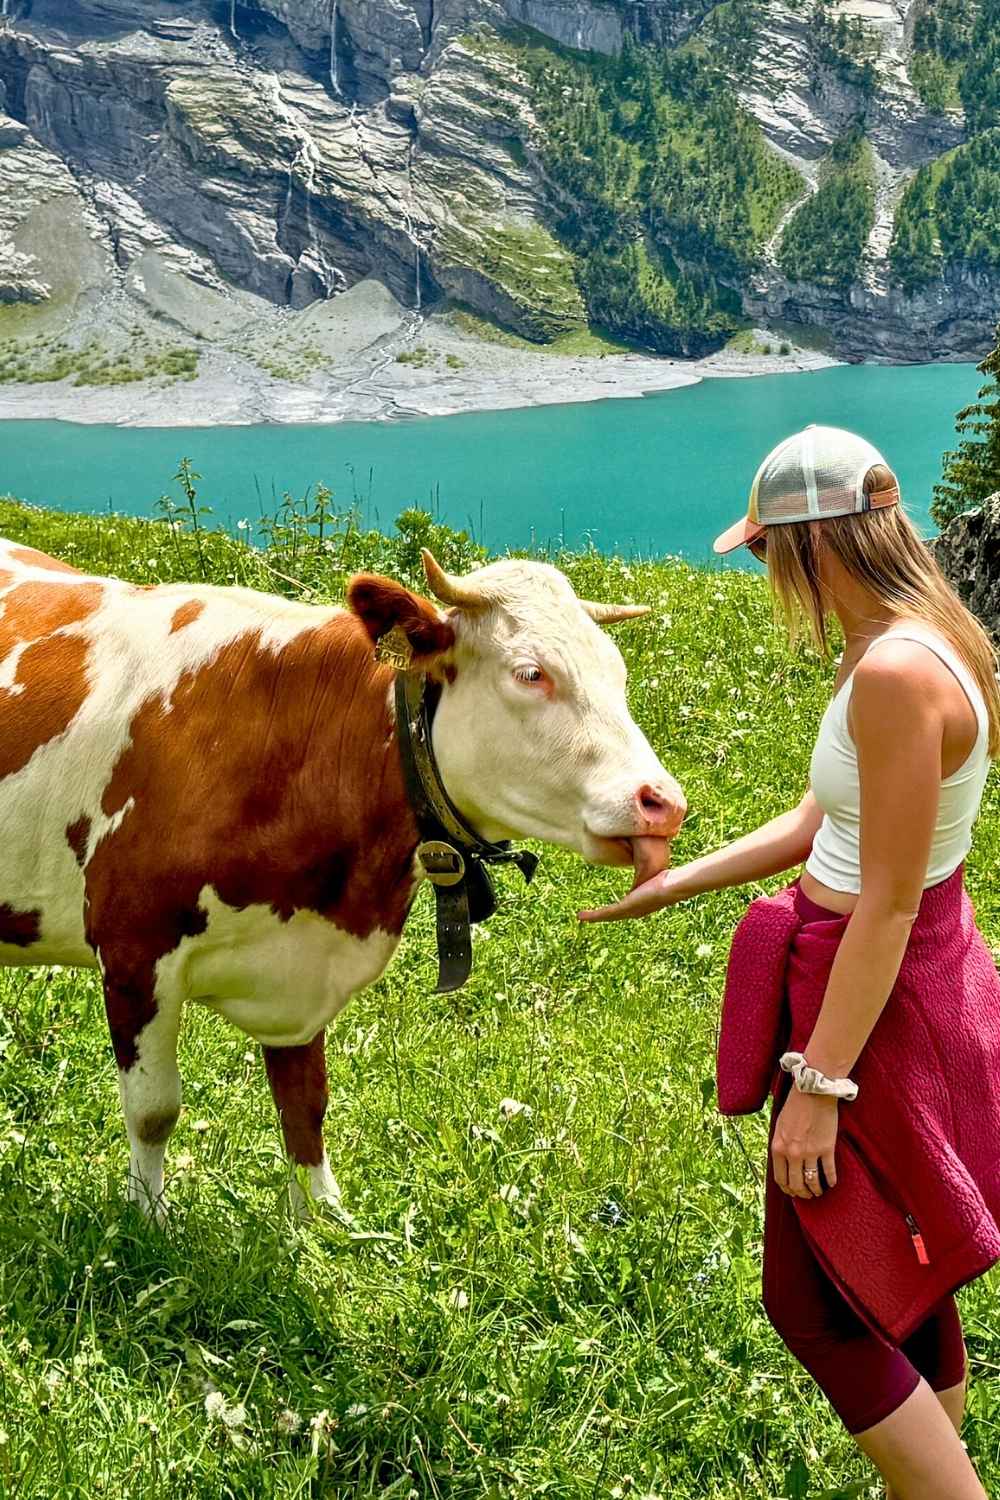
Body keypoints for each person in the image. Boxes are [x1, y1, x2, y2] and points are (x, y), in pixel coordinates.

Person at [581, 425, 1000, 1500]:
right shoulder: (903, 640)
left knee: (807, 1300)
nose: (766, 575)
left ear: (818, 543)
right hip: (898, 979)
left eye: (768, 551)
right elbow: (828, 819)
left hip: (874, 996)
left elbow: (889, 902)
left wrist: (817, 1085)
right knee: (899, 1253)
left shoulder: (895, 674)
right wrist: (676, 884)